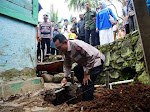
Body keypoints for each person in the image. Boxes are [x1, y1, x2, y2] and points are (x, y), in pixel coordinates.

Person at [53, 34, 105, 101]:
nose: (59, 50)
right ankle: (85, 90)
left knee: (88, 81)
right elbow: (67, 64)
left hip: (96, 61)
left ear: (65, 42)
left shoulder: (77, 45)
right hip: (86, 64)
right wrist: (65, 77)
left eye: (59, 47)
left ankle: (88, 102)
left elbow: (91, 57)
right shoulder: (65, 51)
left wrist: (87, 74)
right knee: (77, 70)